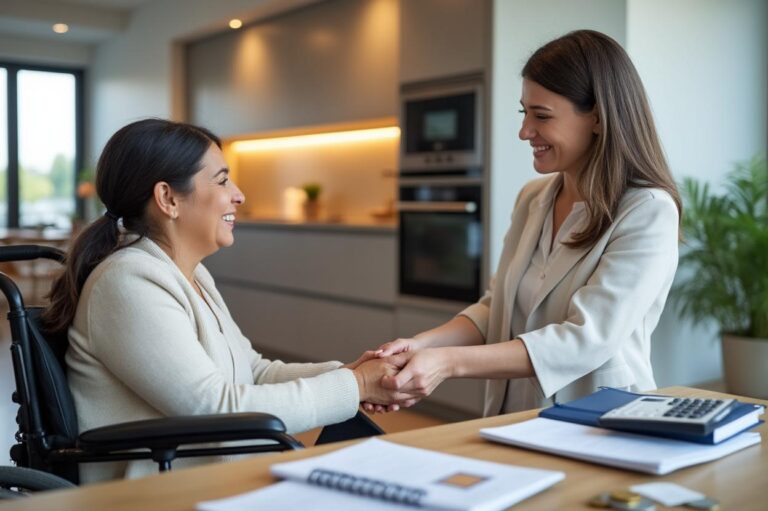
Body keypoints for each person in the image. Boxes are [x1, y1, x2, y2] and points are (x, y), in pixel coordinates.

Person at [42, 119, 402, 482]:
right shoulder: (127, 281)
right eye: (222, 180)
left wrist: (351, 374)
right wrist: (357, 386)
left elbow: (255, 372)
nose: (239, 194)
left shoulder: (189, 274)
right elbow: (217, 408)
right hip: (160, 494)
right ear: (168, 199)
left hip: (208, 481)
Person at [372, 30, 682, 416]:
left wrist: (448, 363)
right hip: (511, 416)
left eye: (542, 116)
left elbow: (587, 338)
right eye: (525, 113)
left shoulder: (647, 210)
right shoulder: (532, 198)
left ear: (599, 118)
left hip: (600, 419)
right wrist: (424, 345)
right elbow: (495, 307)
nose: (525, 131)